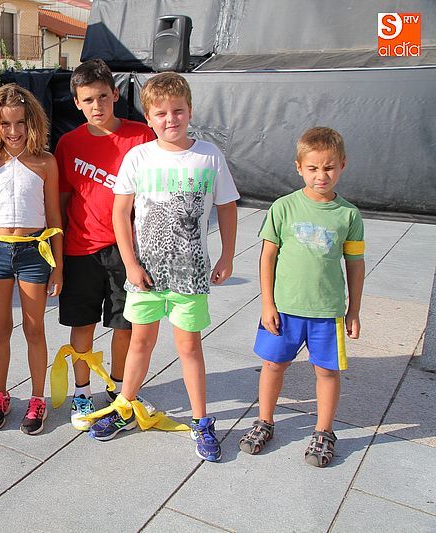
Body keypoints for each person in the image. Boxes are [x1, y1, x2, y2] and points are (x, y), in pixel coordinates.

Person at [82, 73, 239, 464]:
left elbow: (227, 207)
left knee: (189, 347)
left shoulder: (209, 156)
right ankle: (125, 407)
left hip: (191, 275)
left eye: (178, 111)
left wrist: (227, 255)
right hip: (146, 275)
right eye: (161, 113)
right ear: (149, 118)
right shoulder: (138, 157)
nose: (171, 119)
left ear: (190, 111)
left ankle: (201, 421)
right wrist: (130, 264)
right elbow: (120, 213)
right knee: (140, 342)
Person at [239, 127, 364, 468]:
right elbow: (267, 257)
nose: (321, 175)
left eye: (329, 167)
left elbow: (355, 264)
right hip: (284, 310)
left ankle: (324, 431)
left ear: (342, 165)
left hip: (327, 312)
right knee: (273, 364)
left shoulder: (349, 215)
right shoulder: (283, 208)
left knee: (327, 372)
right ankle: (264, 421)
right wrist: (267, 303)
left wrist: (353, 310)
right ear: (299, 167)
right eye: (313, 168)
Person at [51, 59, 155, 430]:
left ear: (115, 94)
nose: (97, 106)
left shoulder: (142, 137)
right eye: (88, 100)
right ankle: (82, 392)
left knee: (124, 324)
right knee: (83, 324)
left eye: (103, 97)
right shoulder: (68, 143)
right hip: (80, 250)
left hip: (126, 251)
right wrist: (58, 257)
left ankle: (118, 390)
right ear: (76, 103)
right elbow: (62, 201)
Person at [0, 85, 63, 435]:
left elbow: (54, 215)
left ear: (31, 122)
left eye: (20, 122)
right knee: (0, 328)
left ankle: (37, 398)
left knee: (34, 328)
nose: (13, 131)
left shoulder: (45, 161)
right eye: (5, 123)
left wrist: (59, 267)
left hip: (34, 252)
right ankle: (0, 395)